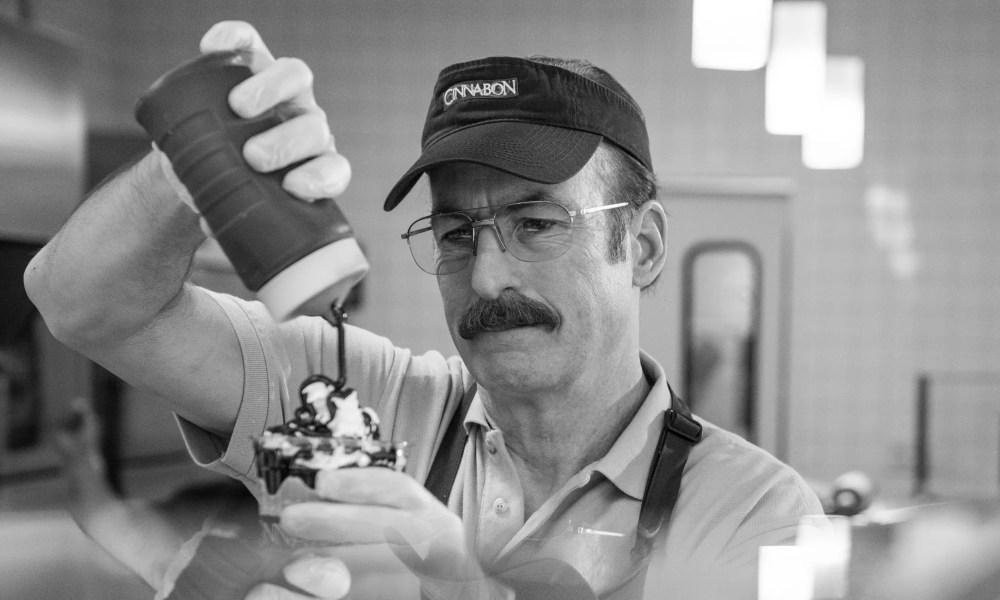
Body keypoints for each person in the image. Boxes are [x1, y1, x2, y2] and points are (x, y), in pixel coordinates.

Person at [25, 20, 824, 600]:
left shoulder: (758, 511)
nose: (484, 278)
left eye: (536, 224)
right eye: (454, 232)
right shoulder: (349, 406)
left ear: (642, 247)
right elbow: (82, 304)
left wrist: (463, 584)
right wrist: (194, 162)